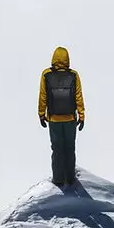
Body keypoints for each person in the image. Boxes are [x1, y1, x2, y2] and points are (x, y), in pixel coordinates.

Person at [38, 46, 86, 186]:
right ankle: (70, 179)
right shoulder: (73, 75)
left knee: (57, 149)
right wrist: (81, 116)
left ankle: (58, 180)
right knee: (70, 149)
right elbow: (78, 96)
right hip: (70, 119)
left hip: (54, 119)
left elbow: (43, 96)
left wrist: (41, 114)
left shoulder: (46, 74)